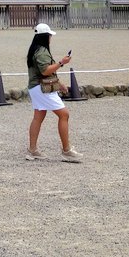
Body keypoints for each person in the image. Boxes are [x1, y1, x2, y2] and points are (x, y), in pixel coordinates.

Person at [25, 22, 82, 163]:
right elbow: (45, 71)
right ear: (46, 36)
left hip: (35, 87)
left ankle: (33, 150)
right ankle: (66, 150)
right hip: (42, 88)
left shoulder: (35, 50)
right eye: (50, 35)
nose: (51, 38)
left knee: (38, 116)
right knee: (64, 114)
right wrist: (62, 63)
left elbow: (44, 71)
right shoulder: (42, 51)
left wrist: (59, 84)